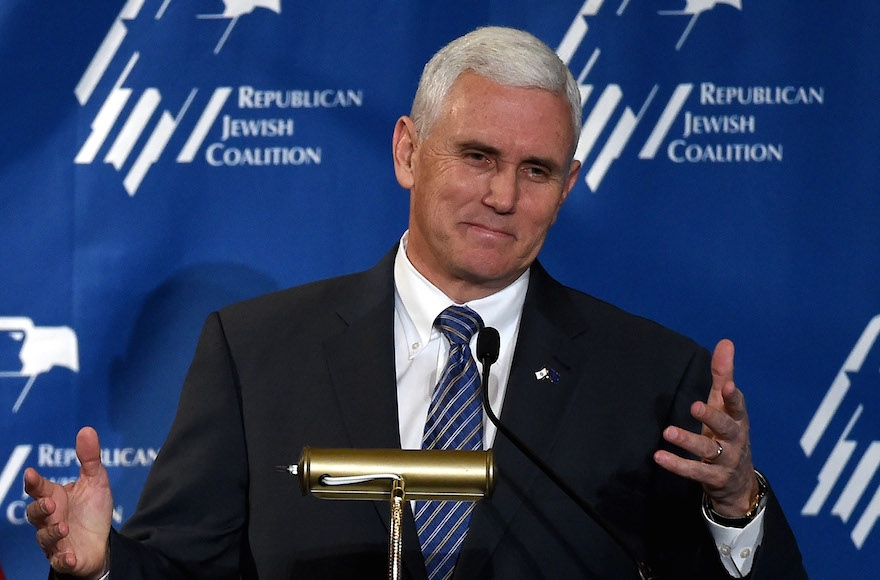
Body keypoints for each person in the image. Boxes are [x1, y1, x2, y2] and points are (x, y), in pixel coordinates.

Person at [24, 26, 807, 579]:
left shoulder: (653, 376)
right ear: (407, 151)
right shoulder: (254, 352)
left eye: (537, 171)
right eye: (476, 156)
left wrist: (736, 507)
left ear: (567, 189)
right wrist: (103, 565)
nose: (502, 195)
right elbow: (183, 571)